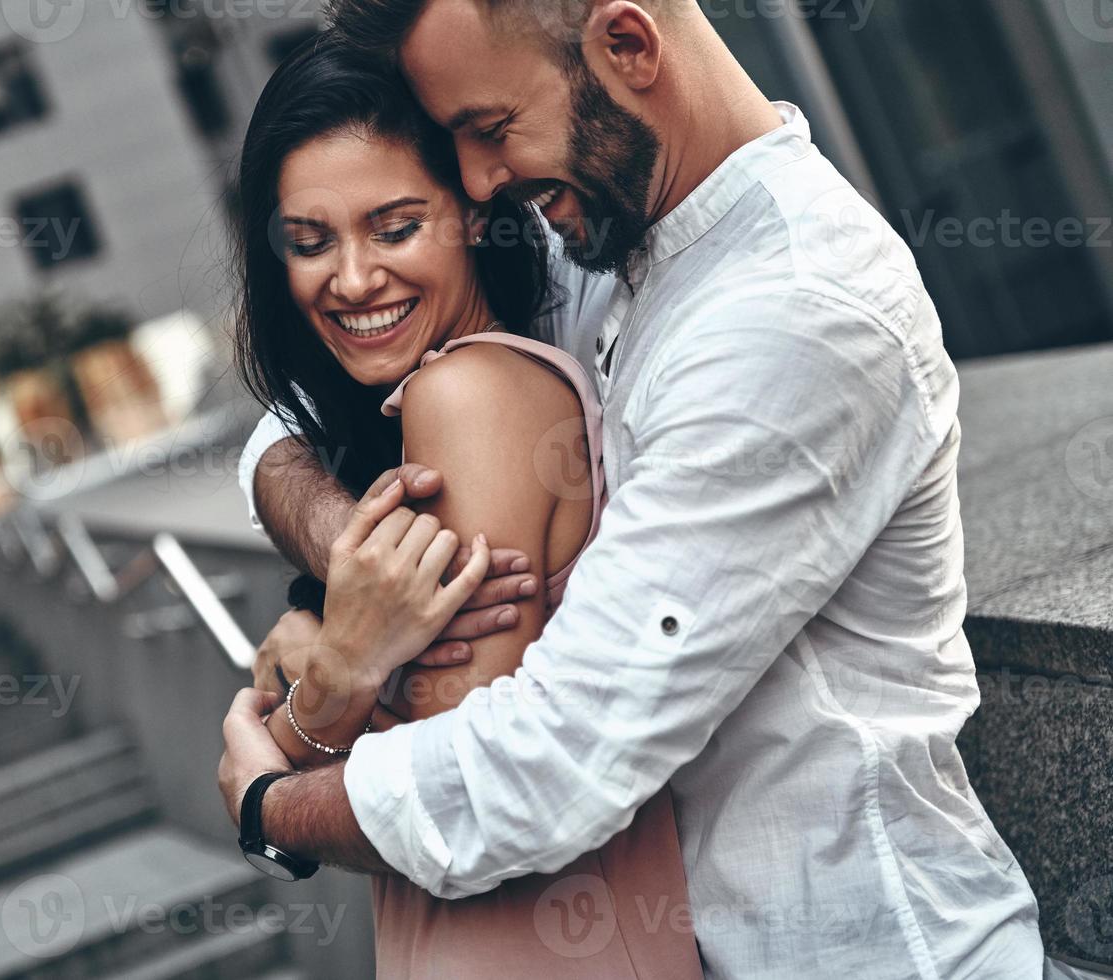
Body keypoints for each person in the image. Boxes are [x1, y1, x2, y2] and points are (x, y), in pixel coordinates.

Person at [220, 2, 1048, 977]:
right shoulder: (611, 241)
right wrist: (351, 558)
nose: (483, 182)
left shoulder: (790, 312)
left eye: (489, 131)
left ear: (627, 46)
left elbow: (549, 765)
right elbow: (286, 430)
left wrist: (269, 793)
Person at [231, 35, 702, 977]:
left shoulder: (470, 396)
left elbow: (463, 783)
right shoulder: (427, 403)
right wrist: (334, 616)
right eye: (311, 242)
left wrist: (287, 729)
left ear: (476, 217)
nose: (353, 279)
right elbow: (273, 448)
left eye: (396, 227)